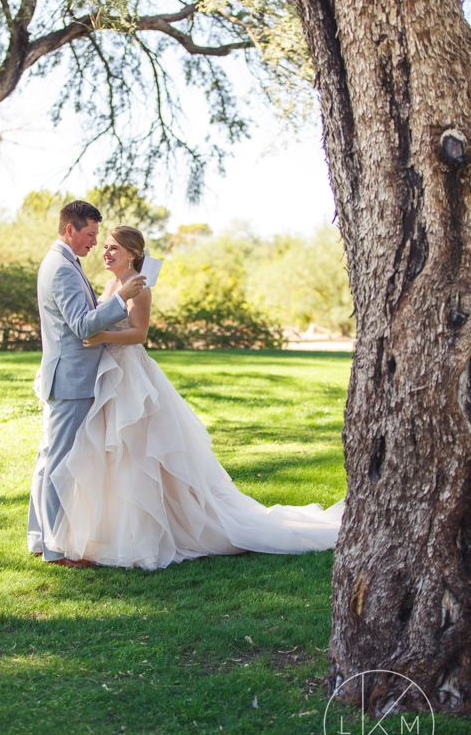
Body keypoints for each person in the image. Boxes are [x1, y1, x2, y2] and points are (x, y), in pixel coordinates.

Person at [46, 226, 343, 569]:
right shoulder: (112, 285)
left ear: (131, 254)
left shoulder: (139, 288)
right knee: (114, 455)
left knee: (138, 454)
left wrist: (100, 339)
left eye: (114, 248)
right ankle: (114, 531)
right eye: (106, 247)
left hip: (130, 378)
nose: (106, 252)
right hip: (109, 377)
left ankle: (153, 532)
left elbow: (139, 334)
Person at [28, 200, 147, 566]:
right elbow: (81, 325)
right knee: (59, 463)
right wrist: (120, 300)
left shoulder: (64, 262)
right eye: (91, 234)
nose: (95, 243)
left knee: (49, 459)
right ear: (70, 230)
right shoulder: (61, 268)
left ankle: (40, 539)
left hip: (68, 376)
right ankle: (56, 549)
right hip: (71, 378)